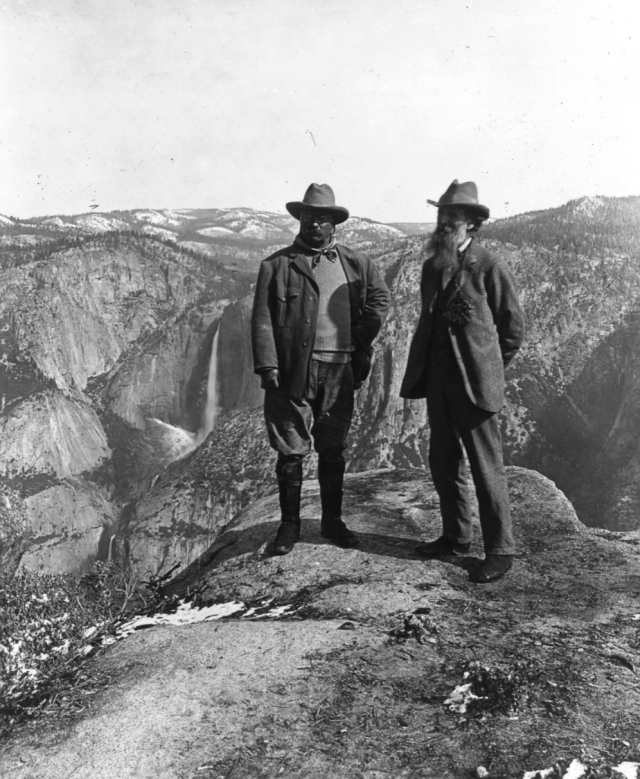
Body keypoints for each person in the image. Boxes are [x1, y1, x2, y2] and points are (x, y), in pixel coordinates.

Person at [251, 183, 391, 555]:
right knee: (290, 450)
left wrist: (359, 337)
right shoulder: (276, 265)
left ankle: (332, 522)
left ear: (334, 225)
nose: (315, 224)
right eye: (309, 217)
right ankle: (289, 527)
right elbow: (262, 318)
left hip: (340, 369)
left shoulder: (356, 263)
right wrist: (268, 365)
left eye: (323, 219)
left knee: (333, 449)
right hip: (292, 371)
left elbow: (380, 299)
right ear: (300, 220)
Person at [400, 180, 525, 583]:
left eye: (451, 218)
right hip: (438, 383)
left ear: (471, 224)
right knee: (443, 461)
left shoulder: (488, 266)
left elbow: (512, 330)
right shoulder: (432, 265)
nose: (443, 224)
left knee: (486, 466)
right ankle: (455, 537)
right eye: (441, 216)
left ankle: (500, 550)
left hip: (475, 385)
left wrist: (487, 366)